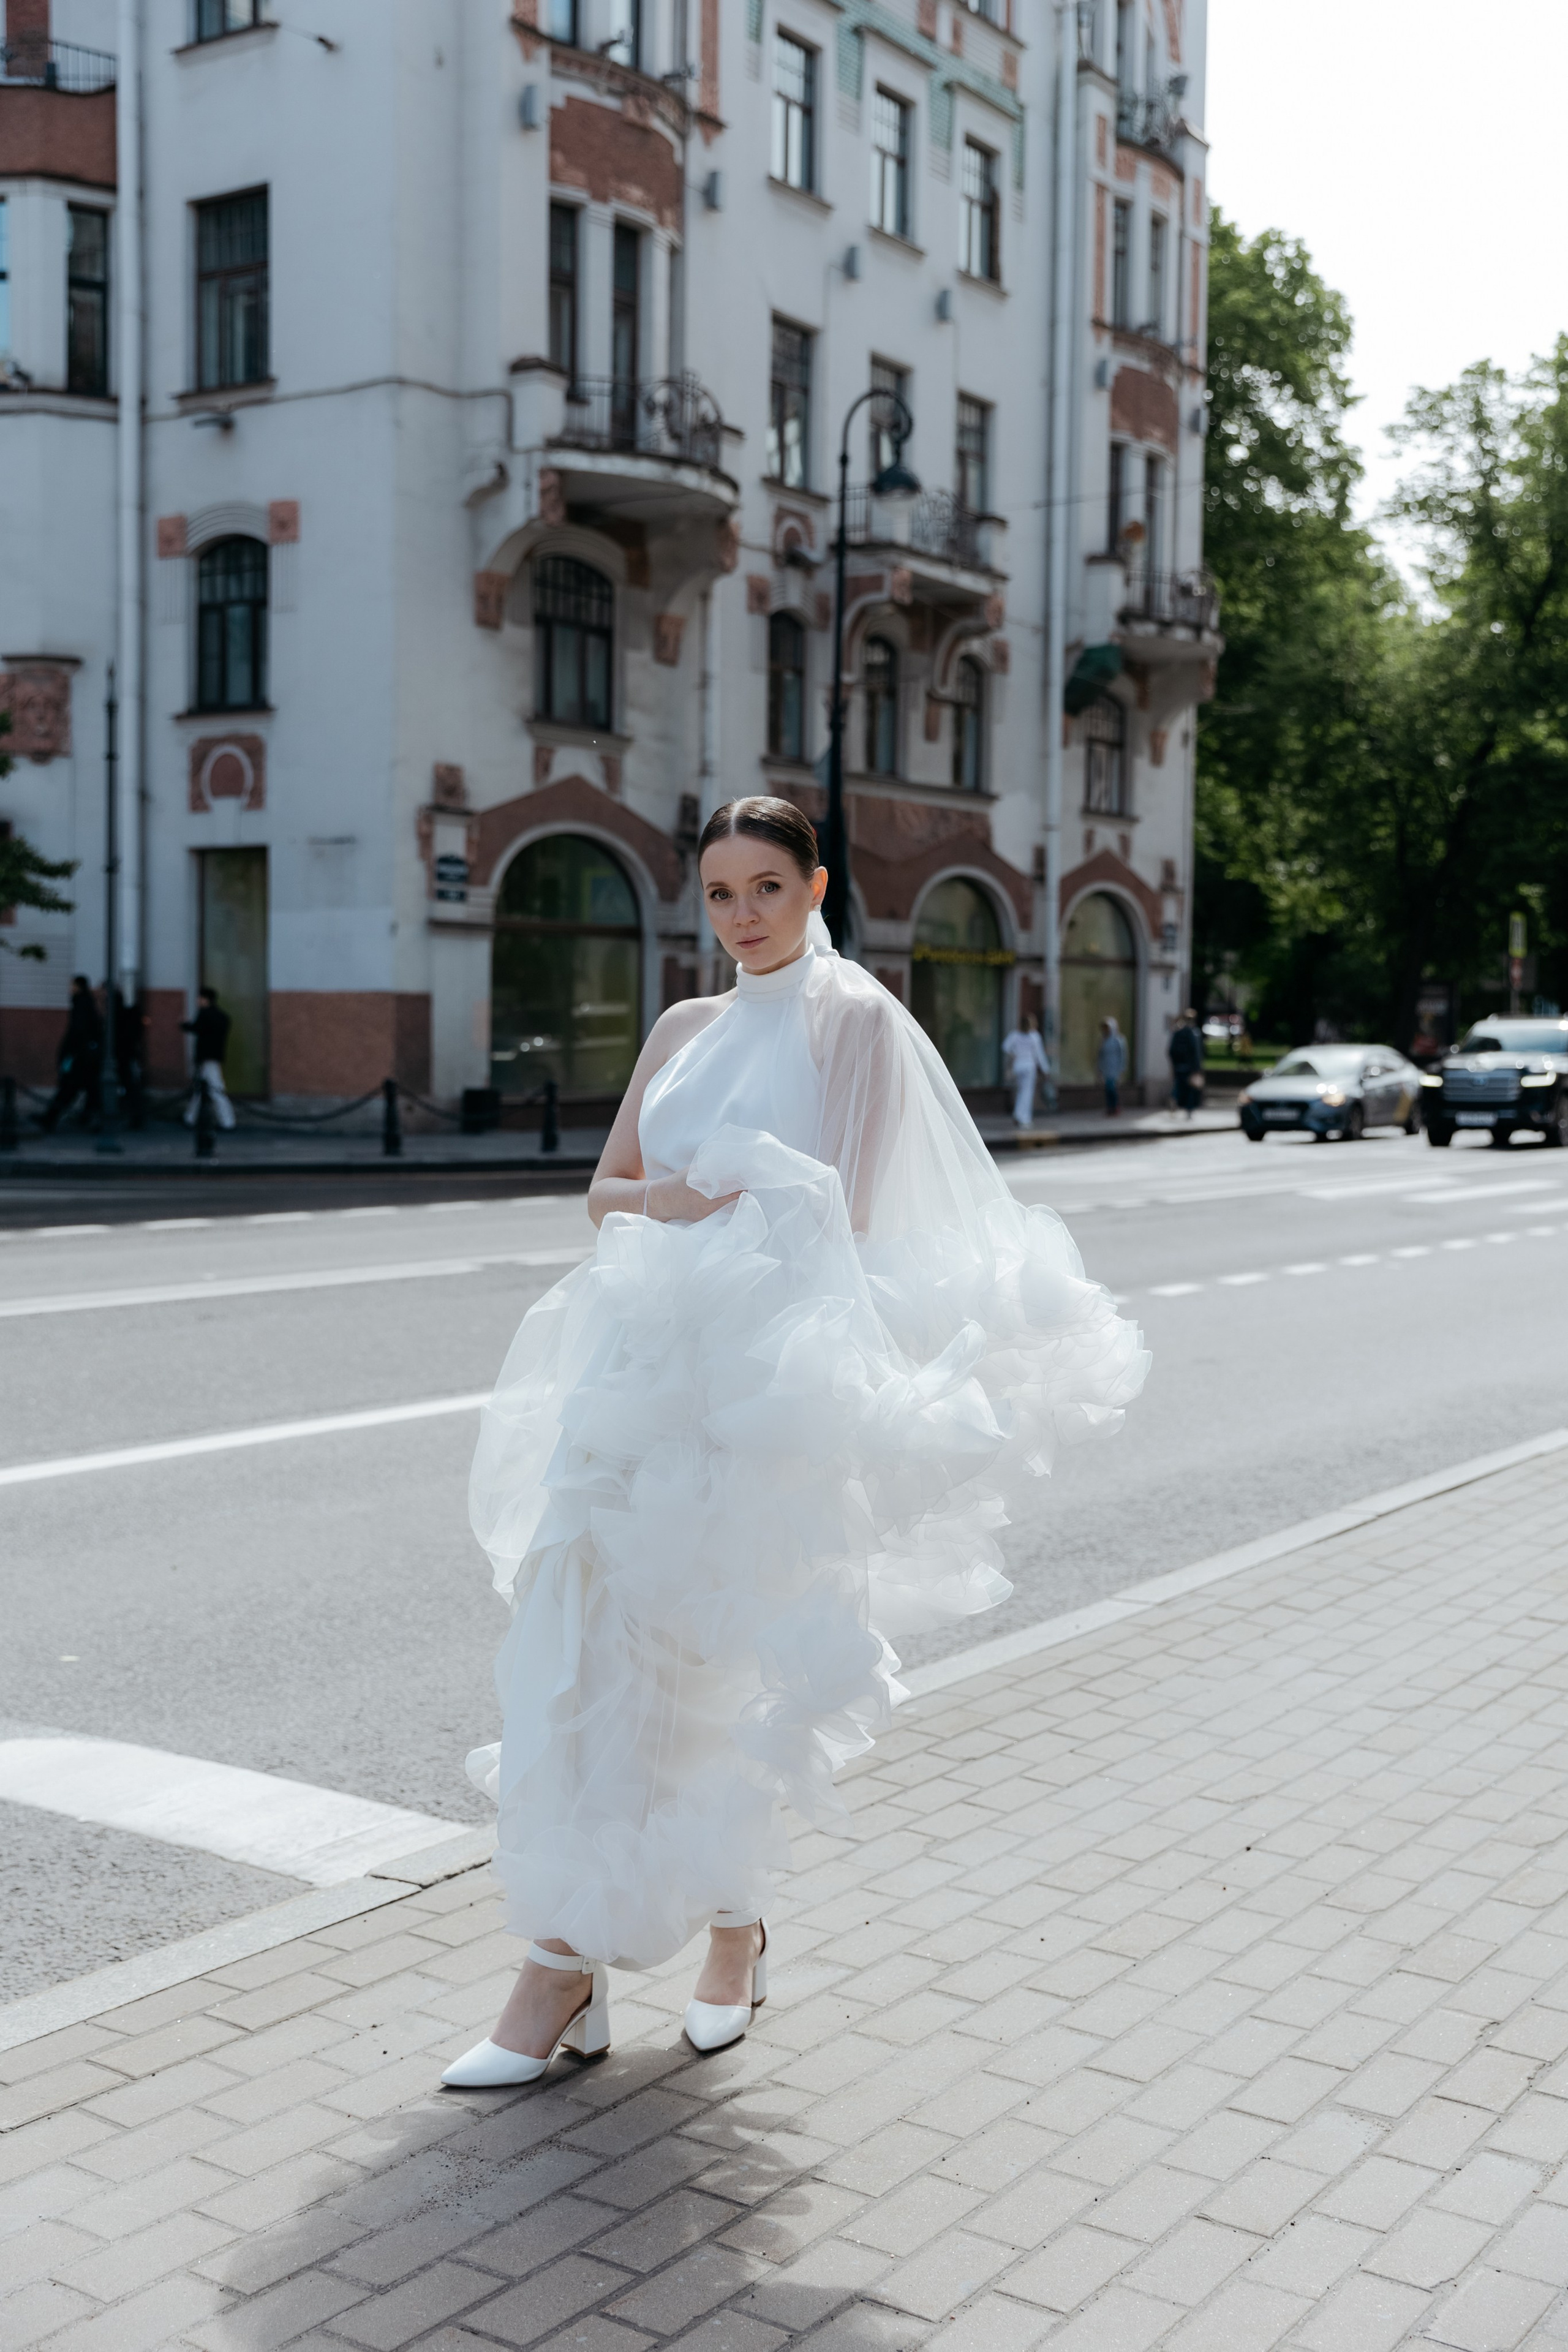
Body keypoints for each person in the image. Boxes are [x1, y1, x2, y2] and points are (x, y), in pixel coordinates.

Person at [443, 796, 1150, 2089]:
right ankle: (563, 1966)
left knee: (726, 1671)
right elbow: (601, 1194)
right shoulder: (681, 1025)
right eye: (719, 895)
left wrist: (760, 1225)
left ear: (816, 887)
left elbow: (860, 1223)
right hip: (631, 1382)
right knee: (587, 1657)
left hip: (766, 1392)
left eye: (766, 887)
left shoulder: (854, 1022)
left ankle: (730, 1934)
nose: (742, 917)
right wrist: (678, 1197)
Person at [33, 976, 102, 1132]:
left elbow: (78, 1032)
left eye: (72, 985)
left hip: (81, 1057)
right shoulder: (86, 1003)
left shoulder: (81, 1004)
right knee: (88, 1090)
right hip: (85, 1057)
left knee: (70, 1089)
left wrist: (69, 1052)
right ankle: (85, 1119)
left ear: (78, 987)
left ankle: (51, 1118)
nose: (69, 988)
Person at [180, 987, 236, 1129]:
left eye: (199, 998)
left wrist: (185, 1025)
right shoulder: (221, 1016)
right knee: (203, 1088)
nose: (198, 1001)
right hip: (214, 1056)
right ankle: (190, 1118)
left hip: (207, 1057)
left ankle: (227, 1121)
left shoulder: (205, 1015)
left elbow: (196, 1028)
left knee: (215, 1088)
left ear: (205, 999)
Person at [1001, 1013, 1053, 1128]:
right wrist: (1046, 1070)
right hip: (1029, 1067)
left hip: (1018, 1067)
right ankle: (1023, 1118)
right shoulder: (1035, 1037)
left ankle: (1019, 1114)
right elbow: (1040, 1056)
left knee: (1021, 1091)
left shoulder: (1015, 1035)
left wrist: (1014, 1054)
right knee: (1027, 1093)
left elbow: (1005, 1047)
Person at [1167, 1006, 1204, 1118]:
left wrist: (1175, 1064)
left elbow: (1171, 1050)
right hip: (1190, 1066)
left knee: (1179, 1085)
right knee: (1191, 1089)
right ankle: (1189, 1110)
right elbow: (1196, 1051)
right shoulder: (1194, 1033)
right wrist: (1197, 1068)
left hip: (1179, 1065)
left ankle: (1174, 1098)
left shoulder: (1178, 1032)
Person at [1097, 1015, 1128, 1117]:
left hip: (1115, 1069)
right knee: (1108, 1089)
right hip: (1106, 1068)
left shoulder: (1119, 1040)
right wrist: (1099, 1069)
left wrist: (1122, 1069)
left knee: (1112, 1089)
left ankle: (1115, 1106)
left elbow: (1123, 1055)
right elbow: (1101, 1056)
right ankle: (1110, 1107)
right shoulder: (1104, 1041)